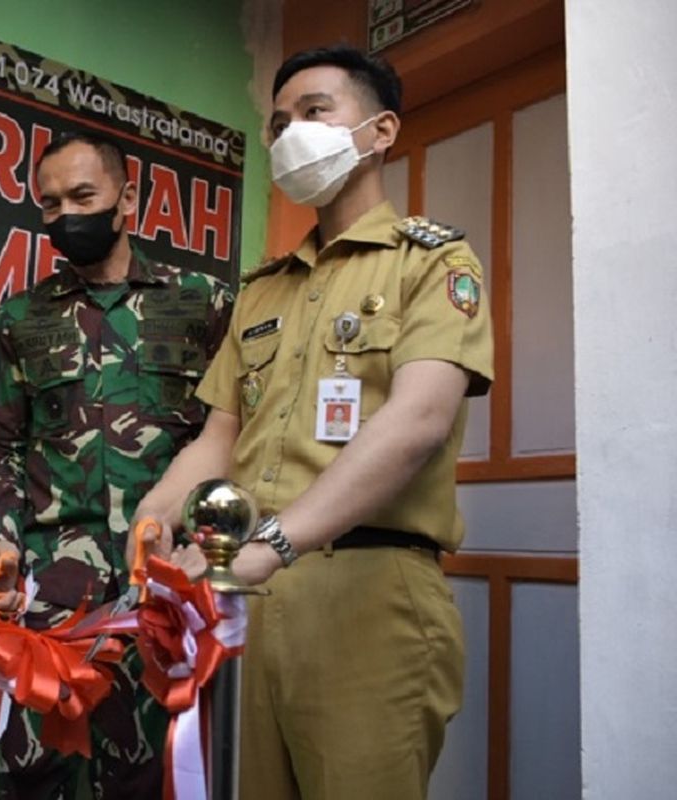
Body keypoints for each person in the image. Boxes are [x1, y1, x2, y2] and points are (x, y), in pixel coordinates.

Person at [135, 45, 493, 800]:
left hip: (370, 591)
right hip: (245, 600)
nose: (290, 132)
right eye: (278, 121)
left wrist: (273, 543)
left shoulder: (430, 262)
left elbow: (420, 420)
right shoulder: (262, 292)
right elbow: (220, 437)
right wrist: (154, 518)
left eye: (314, 111)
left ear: (381, 129)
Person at [0, 130, 233, 799]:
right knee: (31, 775)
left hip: (164, 590)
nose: (66, 215)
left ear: (127, 198)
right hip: (46, 590)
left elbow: (236, 439)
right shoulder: (20, 319)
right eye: (50, 204)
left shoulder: (203, 303)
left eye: (83, 195)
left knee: (146, 774)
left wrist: (208, 561)